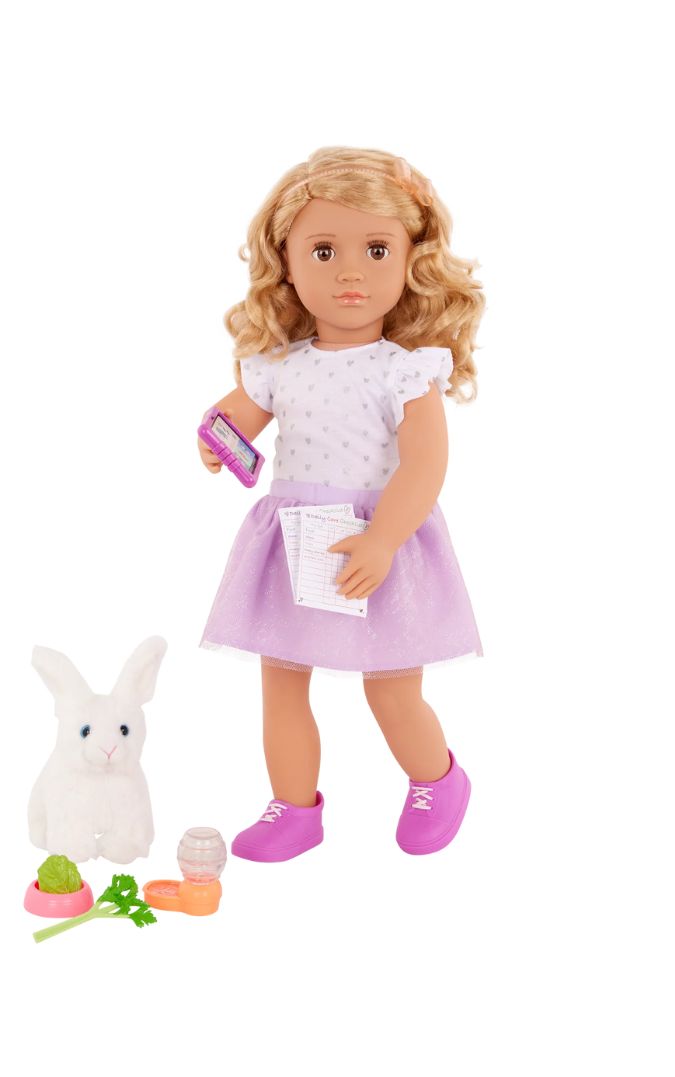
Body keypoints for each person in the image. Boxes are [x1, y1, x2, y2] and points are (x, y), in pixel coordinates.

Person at [197, 146, 484, 861]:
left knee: (389, 688)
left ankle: (437, 779)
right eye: (323, 251)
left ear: (411, 259)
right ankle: (294, 809)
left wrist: (384, 538)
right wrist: (217, 437)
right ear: (287, 263)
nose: (349, 272)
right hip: (295, 539)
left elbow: (425, 463)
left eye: (376, 250)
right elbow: (235, 416)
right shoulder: (279, 365)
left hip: (379, 539)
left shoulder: (405, 370)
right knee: (283, 685)